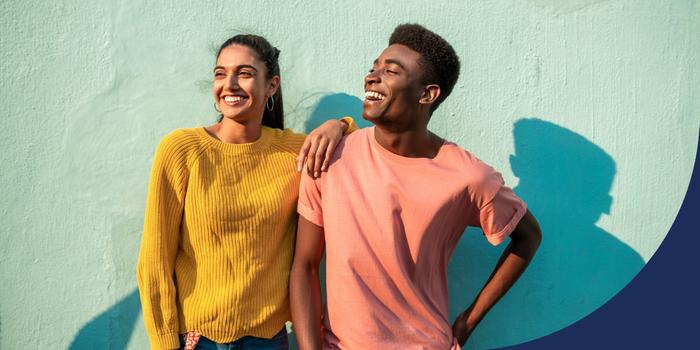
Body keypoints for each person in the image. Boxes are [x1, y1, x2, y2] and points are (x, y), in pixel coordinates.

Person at [290, 24, 542, 349]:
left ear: (427, 94)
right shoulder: (329, 157)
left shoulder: (468, 177)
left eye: (391, 71)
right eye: (373, 69)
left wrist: (467, 322)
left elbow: (529, 236)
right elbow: (304, 265)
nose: (372, 77)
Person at [136, 34, 356, 350]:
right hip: (197, 340)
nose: (230, 84)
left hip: (268, 340)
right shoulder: (181, 150)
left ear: (272, 86)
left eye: (245, 73)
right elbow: (155, 260)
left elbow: (361, 153)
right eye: (221, 73)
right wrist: (164, 343)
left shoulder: (294, 152)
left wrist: (340, 125)